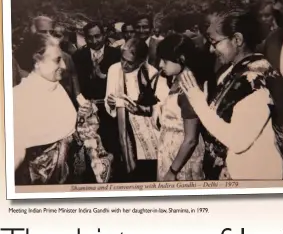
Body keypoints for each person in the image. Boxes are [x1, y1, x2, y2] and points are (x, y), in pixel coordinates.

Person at [179, 11, 283, 180]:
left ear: (237, 40)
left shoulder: (256, 79)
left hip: (257, 173)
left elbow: (238, 141)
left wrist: (197, 101)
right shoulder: (234, 70)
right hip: (236, 168)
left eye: (215, 42)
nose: (211, 49)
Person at [13, 33, 112, 185]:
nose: (64, 66)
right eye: (57, 60)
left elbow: (66, 131)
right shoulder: (19, 96)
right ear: (36, 61)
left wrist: (82, 117)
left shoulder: (58, 88)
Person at [105, 37, 168, 182]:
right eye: (122, 59)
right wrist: (111, 104)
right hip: (124, 133)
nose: (124, 65)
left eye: (130, 62)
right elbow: (110, 103)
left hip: (148, 135)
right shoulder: (114, 70)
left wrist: (140, 108)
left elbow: (161, 108)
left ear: (141, 61)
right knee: (129, 174)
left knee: (148, 172)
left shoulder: (152, 73)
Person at [73, 22, 123, 179]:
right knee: (90, 147)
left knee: (111, 145)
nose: (94, 41)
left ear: (104, 35)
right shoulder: (78, 56)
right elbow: (77, 84)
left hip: (110, 109)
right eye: (90, 38)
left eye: (97, 36)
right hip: (88, 110)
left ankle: (114, 177)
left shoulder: (116, 54)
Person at [156, 34, 206, 181]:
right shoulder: (177, 80)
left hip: (181, 159)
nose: (160, 65)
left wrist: (173, 171)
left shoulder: (188, 89)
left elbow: (190, 139)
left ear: (182, 58)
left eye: (165, 61)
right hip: (170, 151)